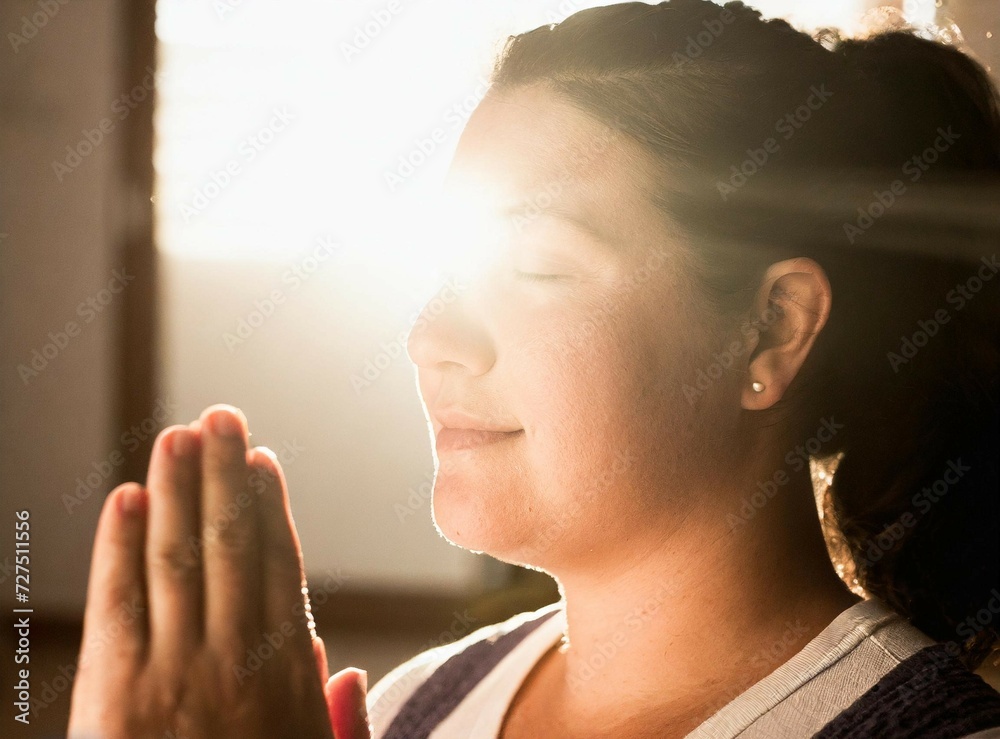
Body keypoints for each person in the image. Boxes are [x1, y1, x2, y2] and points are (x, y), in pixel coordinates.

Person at [68, 1, 1000, 737]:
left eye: (539, 269)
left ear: (770, 329)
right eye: (447, 270)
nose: (434, 336)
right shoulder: (413, 709)